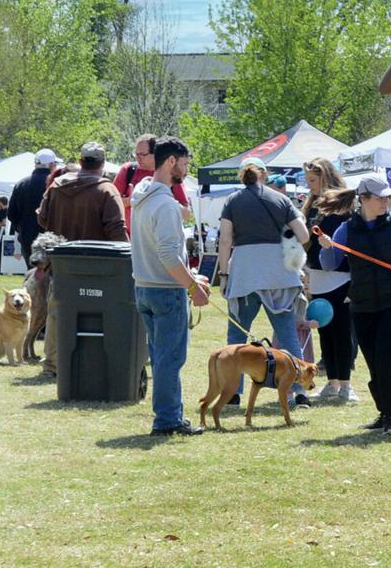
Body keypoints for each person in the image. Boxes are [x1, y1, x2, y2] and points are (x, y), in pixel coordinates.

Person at [317, 174, 391, 435]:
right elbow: (329, 264)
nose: (386, 202)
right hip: (363, 305)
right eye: (380, 198)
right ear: (364, 199)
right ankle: (384, 413)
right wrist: (325, 247)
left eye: (388, 197)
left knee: (386, 358)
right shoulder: (345, 230)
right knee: (373, 362)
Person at [129, 136, 209, 436]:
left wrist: (190, 277)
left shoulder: (142, 193)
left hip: (145, 288)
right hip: (165, 291)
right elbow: (167, 255)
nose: (186, 171)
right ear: (171, 162)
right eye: (185, 164)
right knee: (170, 359)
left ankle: (169, 415)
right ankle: (167, 419)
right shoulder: (165, 205)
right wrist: (192, 286)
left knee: (162, 357)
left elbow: (166, 254)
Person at [219, 158, 312, 407]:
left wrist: (223, 275)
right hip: (278, 273)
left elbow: (225, 241)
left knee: (237, 335)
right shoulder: (281, 199)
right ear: (265, 174)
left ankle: (232, 393)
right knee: (288, 333)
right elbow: (303, 235)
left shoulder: (232, 201)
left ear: (242, 176)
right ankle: (300, 390)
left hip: (245, 271)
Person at [301, 157, 359, 403]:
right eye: (308, 181)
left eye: (313, 180)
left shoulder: (343, 204)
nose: (310, 186)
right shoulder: (312, 204)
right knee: (324, 329)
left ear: (324, 177)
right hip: (317, 276)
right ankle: (332, 382)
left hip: (340, 276)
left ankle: (346, 384)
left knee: (342, 331)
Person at [38, 141, 128, 243]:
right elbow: (117, 229)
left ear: (80, 162)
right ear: (103, 163)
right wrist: (129, 253)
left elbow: (42, 218)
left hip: (59, 255)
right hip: (94, 256)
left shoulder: (56, 187)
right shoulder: (107, 190)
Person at [115, 133, 191, 233]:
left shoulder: (171, 175)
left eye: (142, 155)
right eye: (136, 154)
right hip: (128, 238)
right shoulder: (128, 170)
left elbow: (187, 214)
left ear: (155, 154)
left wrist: (164, 202)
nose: (138, 158)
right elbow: (112, 204)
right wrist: (131, 200)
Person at [8, 148, 57, 259]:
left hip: (27, 237)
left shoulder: (21, 184)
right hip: (52, 237)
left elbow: (11, 214)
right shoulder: (57, 184)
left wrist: (21, 228)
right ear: (52, 165)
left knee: (33, 272)